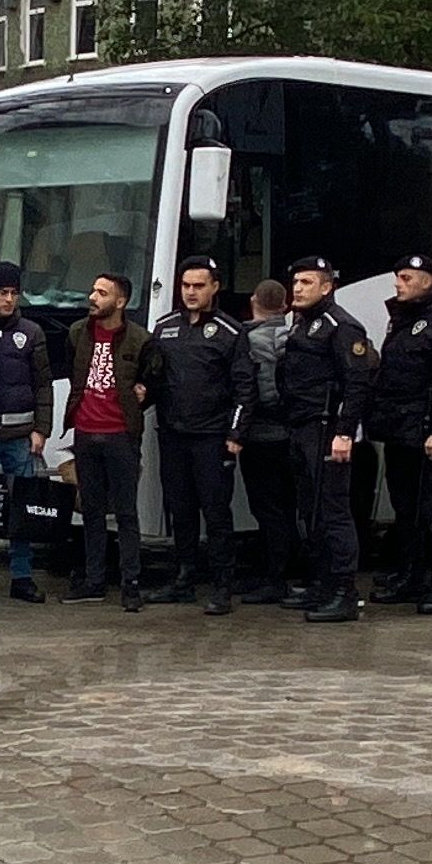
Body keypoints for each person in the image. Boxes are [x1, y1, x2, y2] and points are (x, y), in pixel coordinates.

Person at [276, 257, 379, 622]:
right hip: (301, 426)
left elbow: (357, 384)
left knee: (333, 512)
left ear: (326, 286)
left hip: (326, 428)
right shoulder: (303, 323)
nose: (298, 288)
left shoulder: (342, 326)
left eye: (306, 282)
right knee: (312, 512)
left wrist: (344, 432)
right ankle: (321, 583)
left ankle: (344, 592)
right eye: (295, 282)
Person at [147, 257, 250, 615]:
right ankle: (183, 579)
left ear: (214, 287)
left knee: (216, 513)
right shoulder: (165, 328)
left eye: (198, 286)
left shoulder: (231, 332)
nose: (191, 292)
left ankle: (222, 585)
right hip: (172, 434)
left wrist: (236, 432)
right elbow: (153, 378)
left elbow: (244, 389)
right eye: (186, 286)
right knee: (181, 510)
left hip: (212, 437)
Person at [368, 255, 432, 614]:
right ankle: (411, 575)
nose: (398, 283)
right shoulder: (403, 319)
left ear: (427, 281)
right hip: (401, 431)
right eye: (398, 277)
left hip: (429, 435)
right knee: (405, 510)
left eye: (406, 277)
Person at [62, 271, 162, 607]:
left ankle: (130, 583)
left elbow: (155, 379)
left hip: (121, 435)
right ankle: (94, 581)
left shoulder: (140, 340)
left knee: (126, 513)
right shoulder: (78, 333)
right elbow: (73, 371)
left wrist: (143, 393)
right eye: (93, 290)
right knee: (90, 511)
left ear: (120, 301)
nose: (93, 298)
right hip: (85, 432)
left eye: (102, 293)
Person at [0, 264, 55, 605]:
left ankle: (22, 577)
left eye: (14, 293)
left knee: (22, 508)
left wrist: (42, 429)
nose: (8, 300)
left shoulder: (31, 332)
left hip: (20, 436)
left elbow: (43, 385)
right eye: (2, 293)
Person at [237, 279, 304, 604]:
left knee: (267, 508)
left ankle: (273, 577)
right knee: (289, 507)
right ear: (284, 305)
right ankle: (293, 568)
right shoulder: (295, 336)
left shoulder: (249, 340)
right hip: (292, 436)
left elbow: (259, 392)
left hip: (261, 436)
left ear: (254, 301)